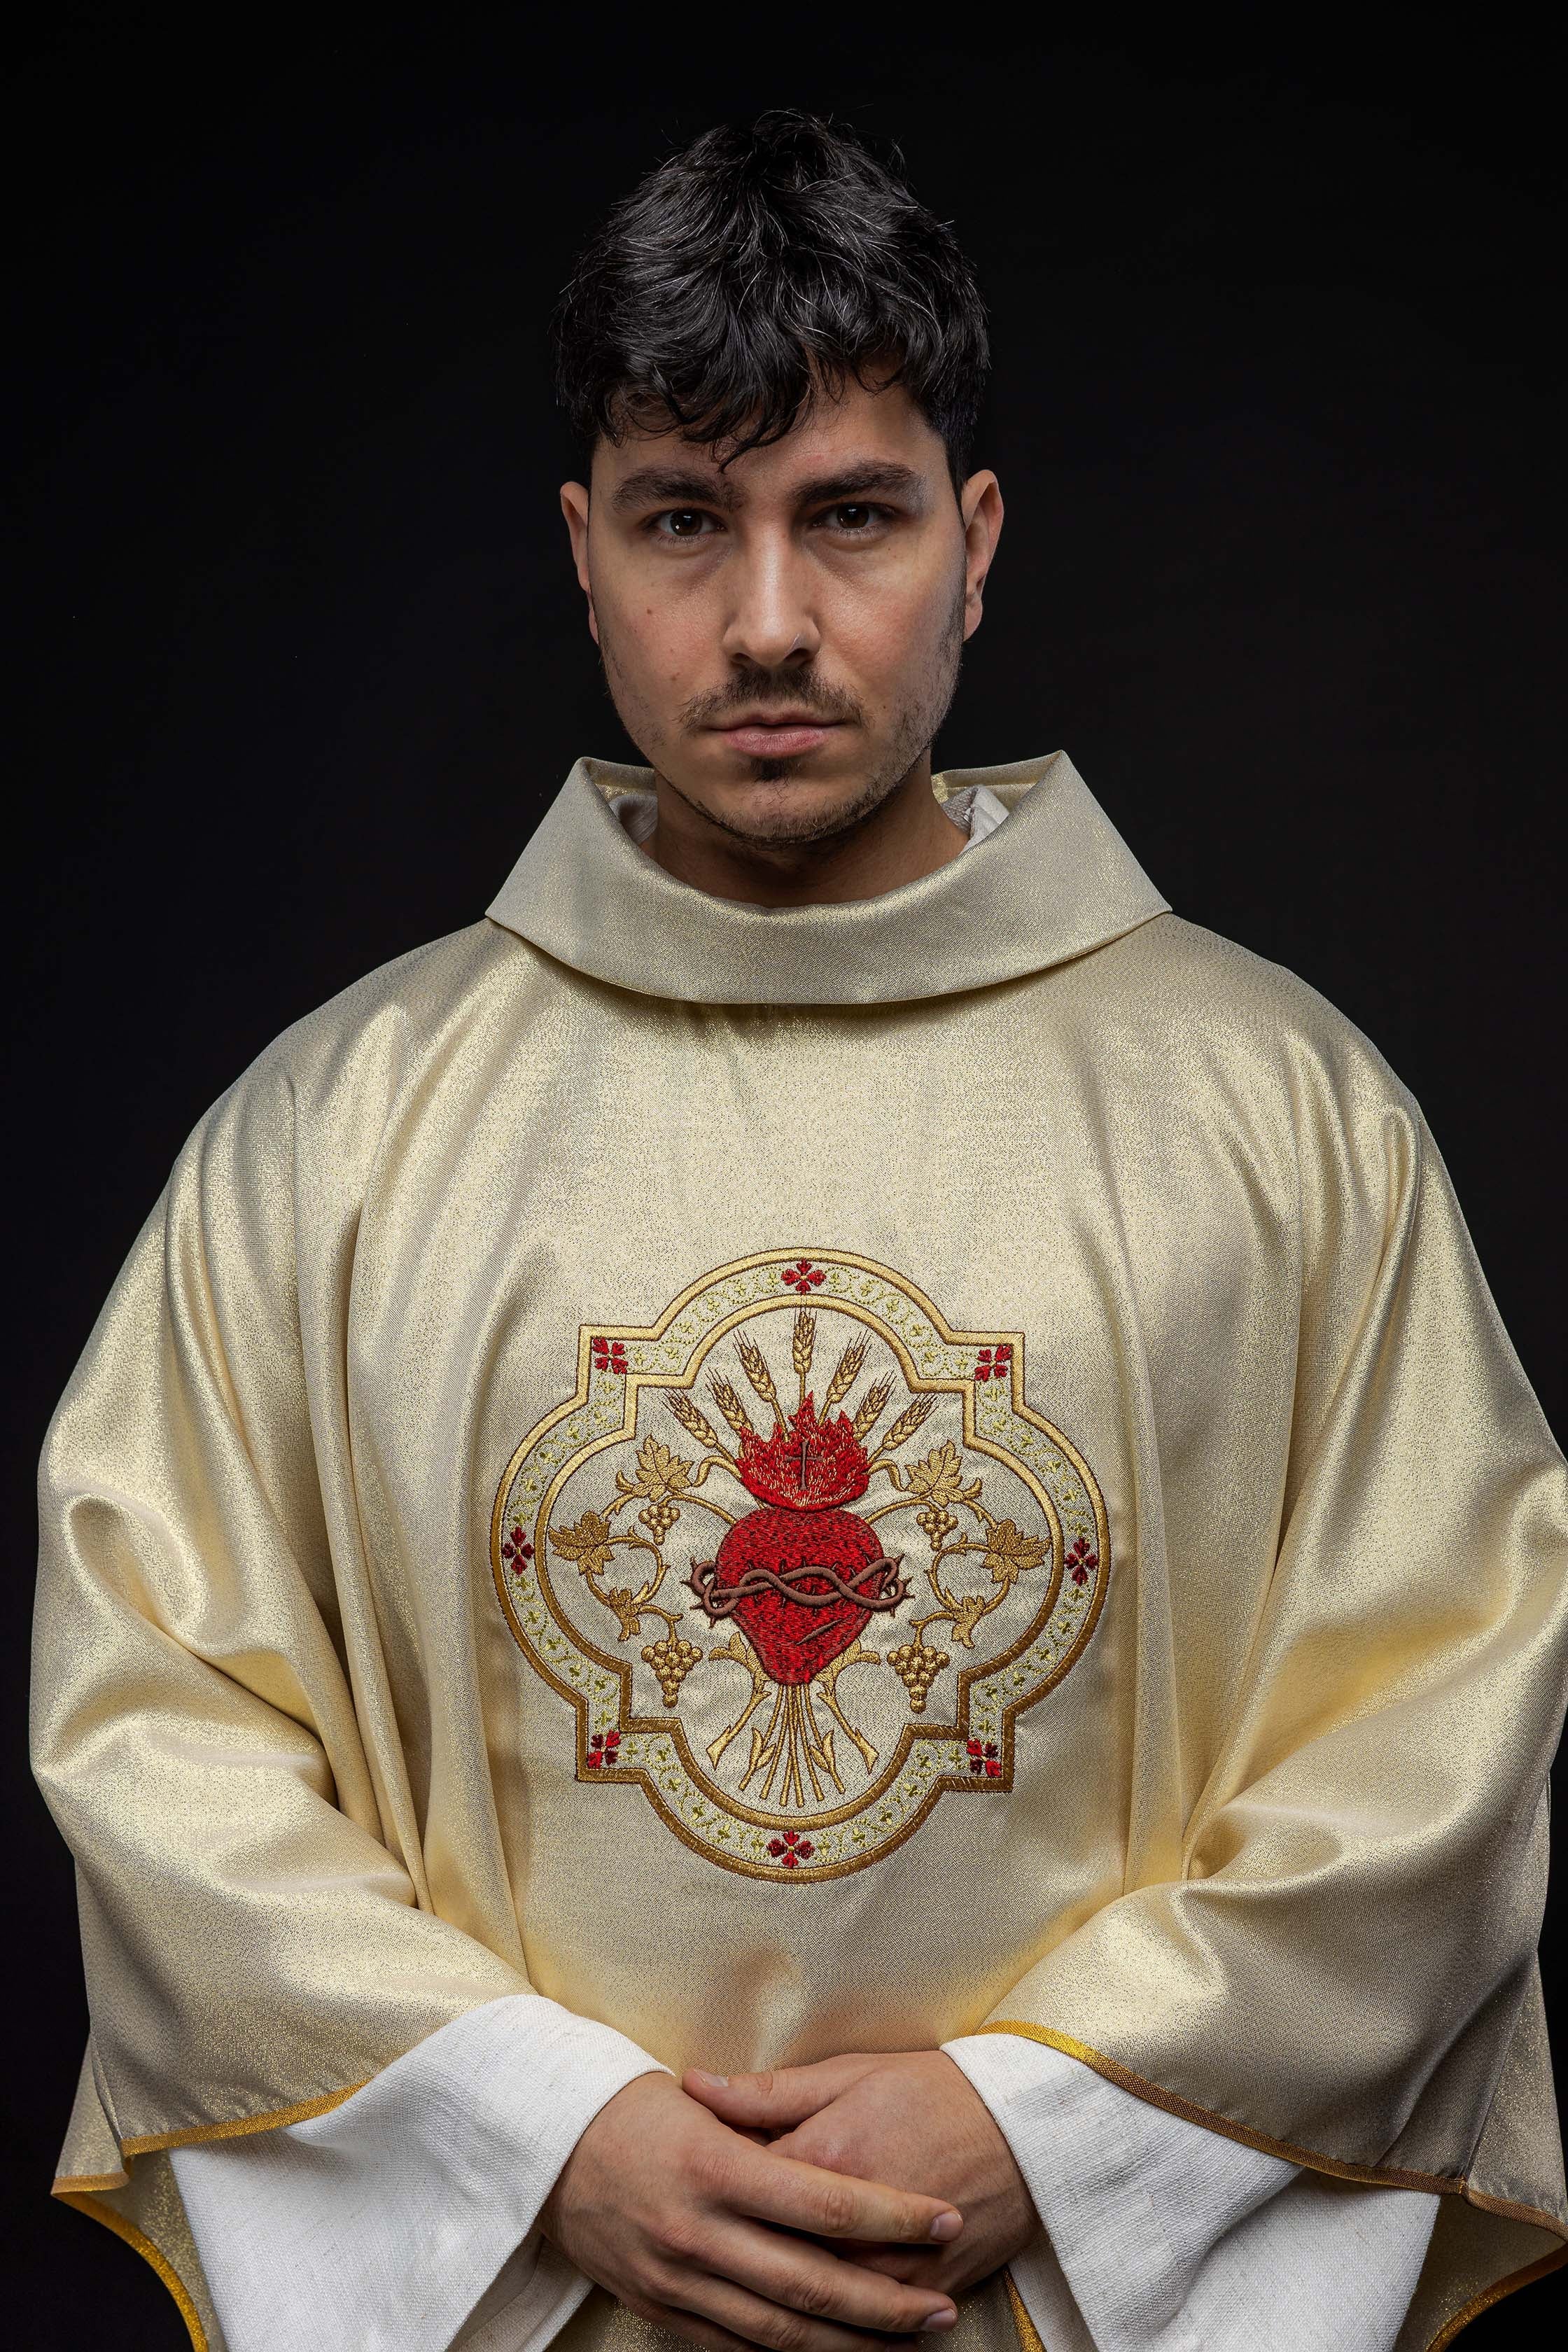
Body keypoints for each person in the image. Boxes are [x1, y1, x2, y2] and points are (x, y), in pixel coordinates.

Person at [31, 109, 1567, 2352]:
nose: (766, 623)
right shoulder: (336, 1135)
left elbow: (1442, 1702)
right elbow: (157, 1706)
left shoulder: (1279, 1117)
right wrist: (546, 2134)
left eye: (849, 517)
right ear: (582, 550)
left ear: (978, 539)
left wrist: (1040, 2122)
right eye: (684, 523)